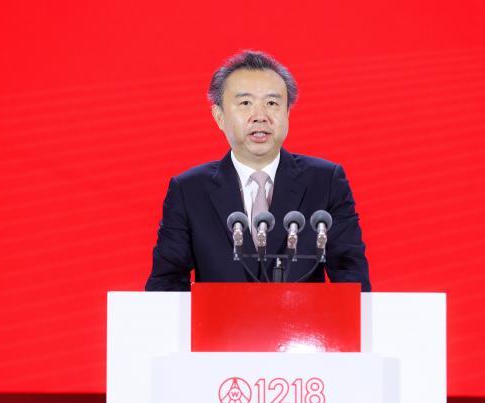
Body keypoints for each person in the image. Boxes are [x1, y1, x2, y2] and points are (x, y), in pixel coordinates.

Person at [145, 51, 371, 291]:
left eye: (272, 103)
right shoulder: (189, 190)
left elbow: (352, 279)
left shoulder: (326, 182)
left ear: (287, 114)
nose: (260, 117)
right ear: (219, 117)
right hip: (220, 316)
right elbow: (165, 283)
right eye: (245, 103)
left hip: (300, 316)